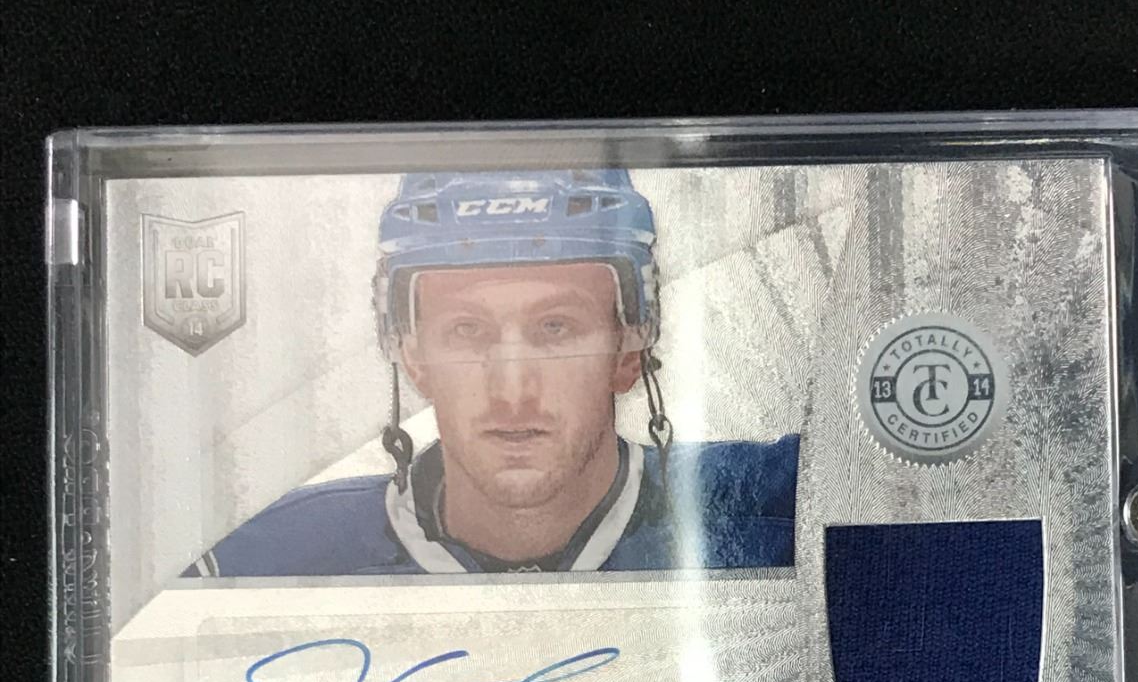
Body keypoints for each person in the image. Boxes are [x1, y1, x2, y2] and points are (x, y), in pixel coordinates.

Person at [187, 169, 799, 577]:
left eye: (555, 328)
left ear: (628, 349)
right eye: (467, 330)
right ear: (412, 355)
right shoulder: (259, 558)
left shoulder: (782, 504)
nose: (512, 391)